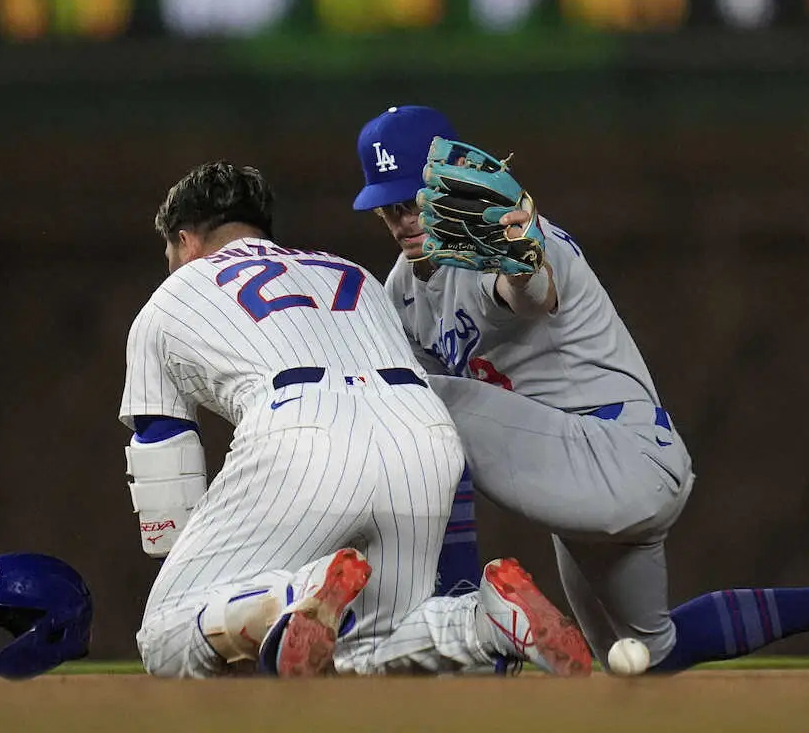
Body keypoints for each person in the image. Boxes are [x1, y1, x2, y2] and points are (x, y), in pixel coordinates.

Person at [351, 105, 809, 674]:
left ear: (452, 185)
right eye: (388, 207)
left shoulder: (507, 242)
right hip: (582, 474)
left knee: (421, 401)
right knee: (646, 657)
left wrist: (522, 260)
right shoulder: (402, 289)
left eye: (412, 201)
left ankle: (460, 617)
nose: (403, 220)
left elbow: (530, 294)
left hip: (617, 453)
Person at [119, 160, 593, 678]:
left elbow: (167, 477)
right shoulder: (353, 274)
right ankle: (486, 622)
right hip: (423, 439)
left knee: (167, 632)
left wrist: (202, 572)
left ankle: (292, 596)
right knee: (365, 649)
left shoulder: (173, 294)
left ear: (186, 241)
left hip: (302, 438)